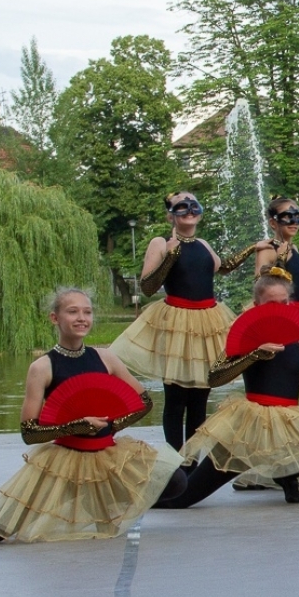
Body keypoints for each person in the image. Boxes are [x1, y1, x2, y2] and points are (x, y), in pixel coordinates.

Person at [0, 289, 187, 543]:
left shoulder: (105, 357)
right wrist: (76, 426)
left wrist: (113, 424)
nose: (82, 318)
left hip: (108, 451)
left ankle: (105, 504)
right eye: (72, 312)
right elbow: (29, 432)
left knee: (175, 480)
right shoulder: (42, 367)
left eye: (87, 311)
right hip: (65, 456)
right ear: (55, 319)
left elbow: (143, 401)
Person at [162, 273, 299, 506]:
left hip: (287, 421)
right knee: (184, 498)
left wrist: (294, 422)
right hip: (247, 427)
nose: (279, 309)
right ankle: (143, 497)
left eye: (284, 303)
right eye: (271, 304)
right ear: (256, 306)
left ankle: (287, 471)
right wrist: (254, 355)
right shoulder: (246, 338)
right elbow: (214, 378)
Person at [110, 191, 252, 448]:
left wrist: (254, 248)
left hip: (208, 320)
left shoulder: (204, 244)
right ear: (170, 215)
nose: (188, 209)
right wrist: (170, 257)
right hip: (177, 321)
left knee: (200, 395)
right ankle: (176, 458)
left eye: (193, 204)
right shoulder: (160, 243)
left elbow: (224, 266)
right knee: (176, 397)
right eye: (181, 206)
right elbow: (148, 286)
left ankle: (191, 459)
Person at [254, 197, 299, 350]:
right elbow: (259, 284)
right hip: (279, 316)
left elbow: (297, 274)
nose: (294, 222)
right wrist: (280, 257)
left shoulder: (294, 248)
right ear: (273, 223)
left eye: (297, 217)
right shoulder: (268, 249)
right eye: (287, 217)